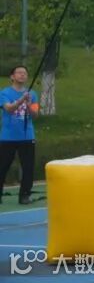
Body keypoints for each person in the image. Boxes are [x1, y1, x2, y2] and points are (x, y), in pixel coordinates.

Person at [0, 65, 40, 206]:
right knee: (3, 166)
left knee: (28, 167)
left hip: (27, 136)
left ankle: (24, 195)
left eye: (25, 73)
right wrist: (21, 100)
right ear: (12, 76)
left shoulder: (32, 94)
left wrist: (28, 104)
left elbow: (35, 115)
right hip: (8, 137)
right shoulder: (4, 93)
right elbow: (9, 109)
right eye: (19, 72)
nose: (22, 75)